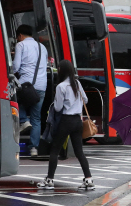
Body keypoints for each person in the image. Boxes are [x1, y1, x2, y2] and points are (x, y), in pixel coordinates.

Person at [37, 60, 93, 190]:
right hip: (78, 121)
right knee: (79, 152)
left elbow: (58, 107)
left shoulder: (61, 86)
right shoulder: (77, 83)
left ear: (61, 70)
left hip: (66, 121)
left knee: (55, 150)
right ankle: (89, 179)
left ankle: (49, 180)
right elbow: (86, 99)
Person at [13, 25, 48, 157]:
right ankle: (34, 148)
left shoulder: (20, 46)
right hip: (41, 86)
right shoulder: (42, 47)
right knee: (36, 118)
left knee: (15, 99)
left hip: (26, 85)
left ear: (20, 35)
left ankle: (23, 120)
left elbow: (16, 66)